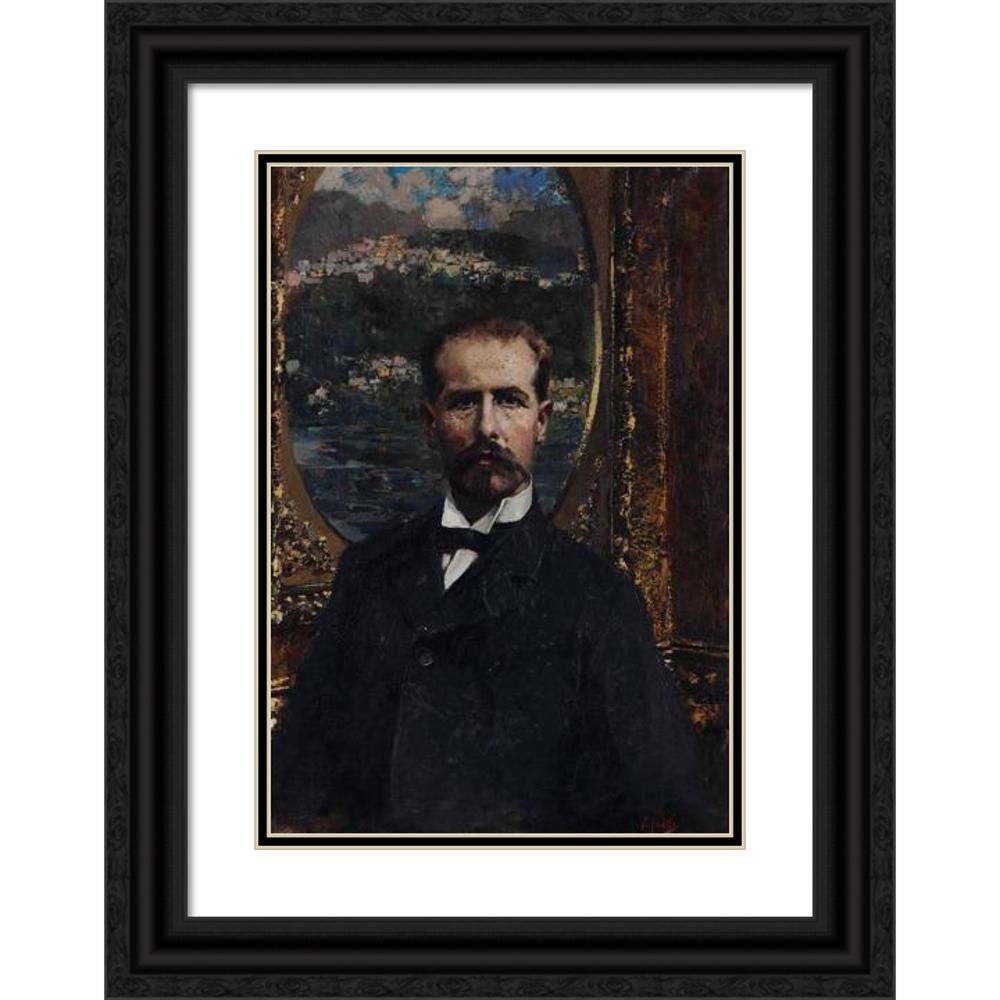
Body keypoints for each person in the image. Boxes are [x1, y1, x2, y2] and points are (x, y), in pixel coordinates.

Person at [271, 318, 701, 834]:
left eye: (510, 401)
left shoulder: (599, 597)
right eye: (463, 403)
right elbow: (298, 775)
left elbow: (657, 800)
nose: (487, 428)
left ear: (542, 421)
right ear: (430, 422)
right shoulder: (368, 571)